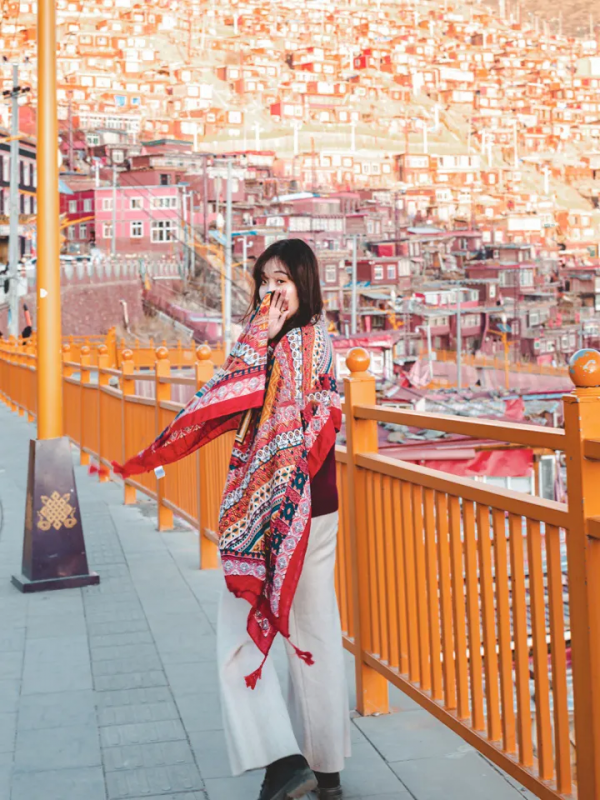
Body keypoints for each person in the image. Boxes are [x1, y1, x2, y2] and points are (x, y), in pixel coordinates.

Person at [113, 239, 351, 800]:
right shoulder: (320, 340)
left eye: (282, 280)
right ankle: (327, 772)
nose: (271, 291)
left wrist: (260, 338)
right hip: (317, 504)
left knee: (237, 639)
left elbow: (232, 389)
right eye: (264, 280)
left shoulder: (284, 344)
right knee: (314, 635)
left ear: (305, 283)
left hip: (278, 514)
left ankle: (282, 761)